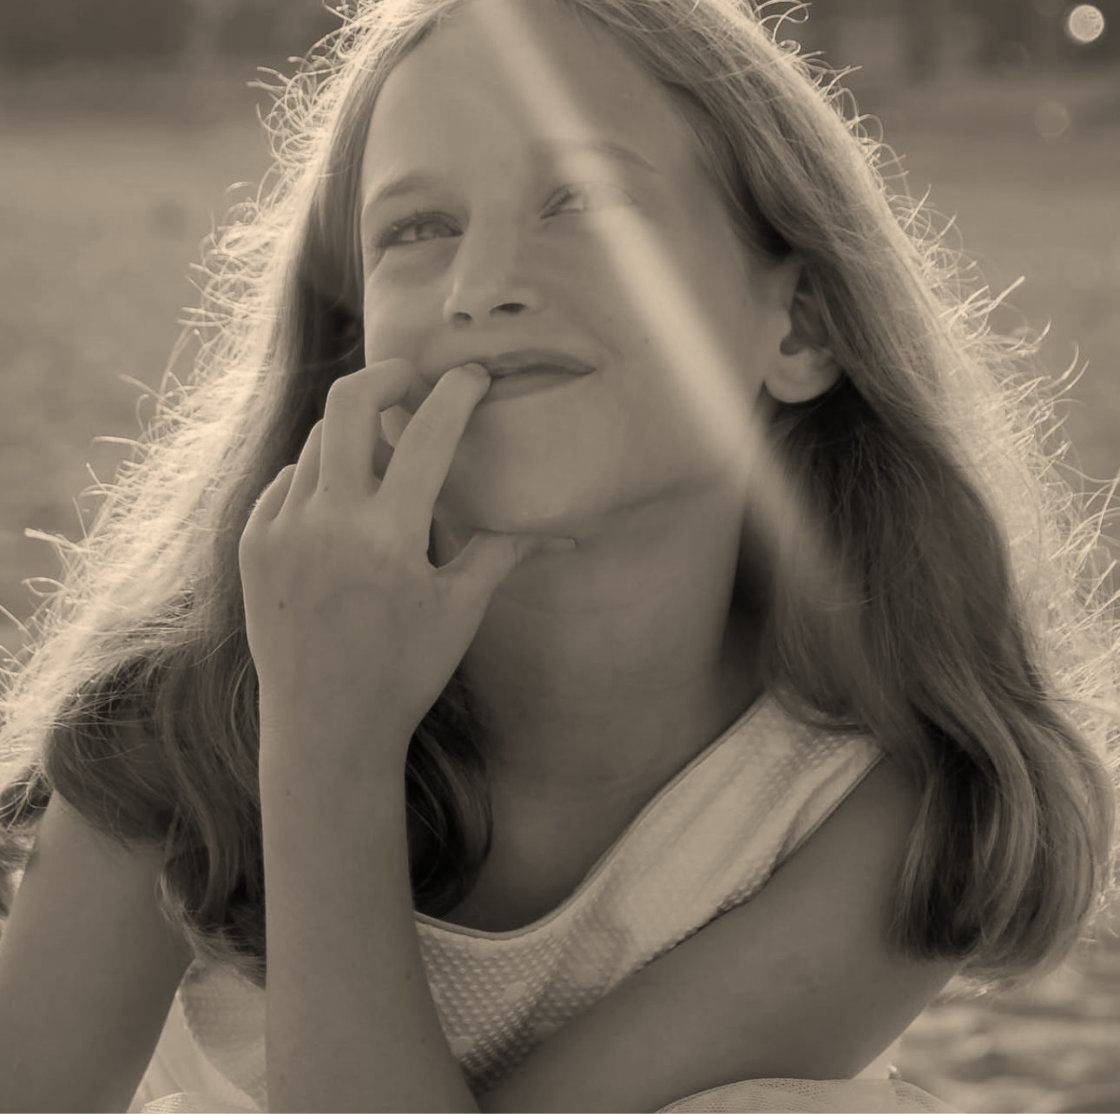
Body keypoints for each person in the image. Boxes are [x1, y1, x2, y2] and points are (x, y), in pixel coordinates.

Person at [0, 0, 1117, 1110]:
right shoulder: (189, 718)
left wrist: (331, 749)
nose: (482, 284)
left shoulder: (886, 807)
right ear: (354, 347)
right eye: (417, 229)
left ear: (800, 326)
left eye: (580, 200)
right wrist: (306, 712)